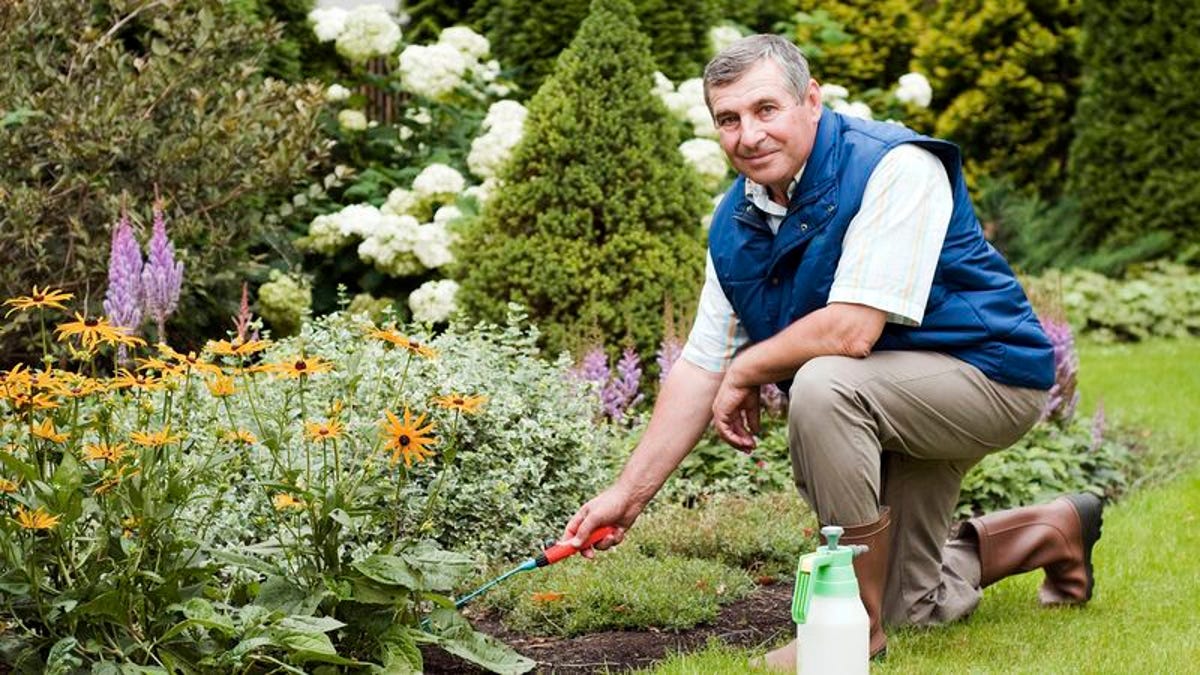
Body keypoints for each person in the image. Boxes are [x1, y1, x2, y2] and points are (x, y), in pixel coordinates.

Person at [561, 34, 1104, 670]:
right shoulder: (736, 221)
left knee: (822, 385)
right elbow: (700, 366)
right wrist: (627, 496)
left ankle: (847, 631)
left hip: (988, 378)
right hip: (889, 395)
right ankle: (1052, 530)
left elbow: (851, 331)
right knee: (914, 603)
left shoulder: (895, 165)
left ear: (811, 101)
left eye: (767, 110)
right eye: (728, 120)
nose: (749, 135)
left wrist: (750, 369)